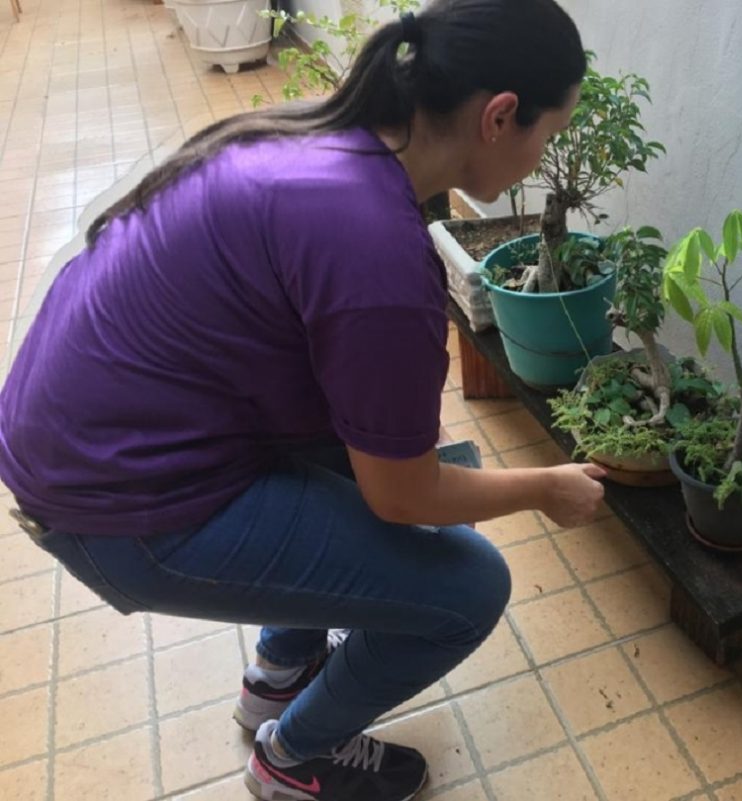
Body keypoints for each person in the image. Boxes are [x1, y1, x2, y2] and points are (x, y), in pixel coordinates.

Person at [0, 1, 606, 799]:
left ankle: (280, 673)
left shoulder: (320, 135)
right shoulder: (376, 249)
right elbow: (403, 495)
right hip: (119, 506)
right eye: (548, 136)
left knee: (357, 445)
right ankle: (293, 758)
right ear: (500, 117)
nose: (543, 156)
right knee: (470, 588)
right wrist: (546, 488)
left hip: (83, 434)